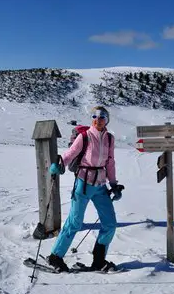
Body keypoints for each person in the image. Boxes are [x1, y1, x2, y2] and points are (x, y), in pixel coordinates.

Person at [47, 106, 124, 272]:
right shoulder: (84, 136)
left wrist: (114, 184)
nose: (98, 119)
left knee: (110, 223)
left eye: (102, 117)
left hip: (100, 186)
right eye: (95, 116)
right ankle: (55, 257)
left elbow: (110, 163)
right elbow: (70, 153)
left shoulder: (110, 139)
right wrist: (59, 165)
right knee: (74, 222)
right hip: (83, 184)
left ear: (107, 120)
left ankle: (99, 260)